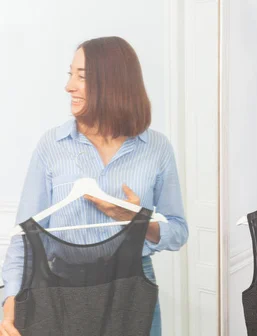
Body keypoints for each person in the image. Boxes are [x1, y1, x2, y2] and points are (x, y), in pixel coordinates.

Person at [0, 36, 188, 336]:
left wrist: (135, 220)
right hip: (62, 291)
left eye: (81, 76)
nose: (69, 86)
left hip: (133, 290)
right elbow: (25, 235)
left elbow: (178, 232)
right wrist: (9, 302)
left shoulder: (157, 148)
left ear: (113, 83)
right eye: (70, 74)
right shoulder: (53, 146)